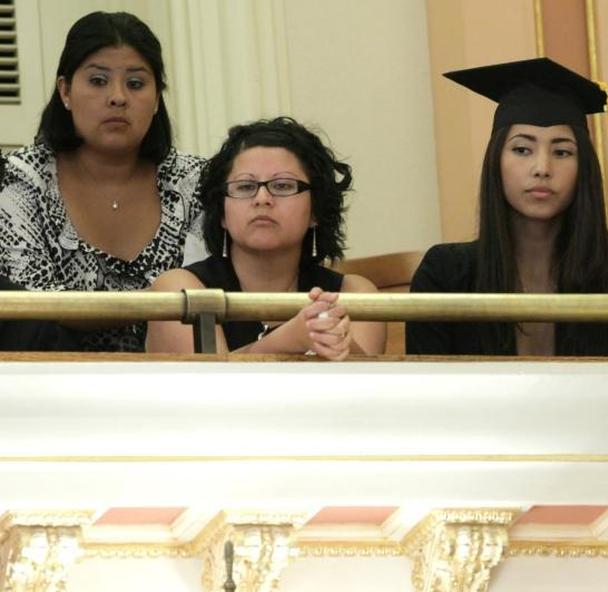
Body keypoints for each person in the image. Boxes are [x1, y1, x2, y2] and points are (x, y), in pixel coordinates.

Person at [406, 58, 608, 356]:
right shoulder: (447, 275)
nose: (542, 168)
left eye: (562, 151)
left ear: (585, 168)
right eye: (522, 149)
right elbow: (430, 394)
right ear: (496, 160)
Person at [0, 11, 206, 351]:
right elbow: (33, 304)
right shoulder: (20, 179)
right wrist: (160, 300)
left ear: (157, 99)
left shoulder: (195, 181)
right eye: (98, 81)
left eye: (136, 84)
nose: (118, 97)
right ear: (65, 91)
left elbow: (216, 293)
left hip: (181, 383)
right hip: (54, 384)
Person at [146, 117, 384, 359]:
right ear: (222, 214)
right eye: (245, 187)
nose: (262, 198)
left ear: (315, 211)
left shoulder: (353, 293)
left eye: (282, 186)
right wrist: (289, 340)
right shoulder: (180, 289)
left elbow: (368, 390)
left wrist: (333, 338)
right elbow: (209, 390)